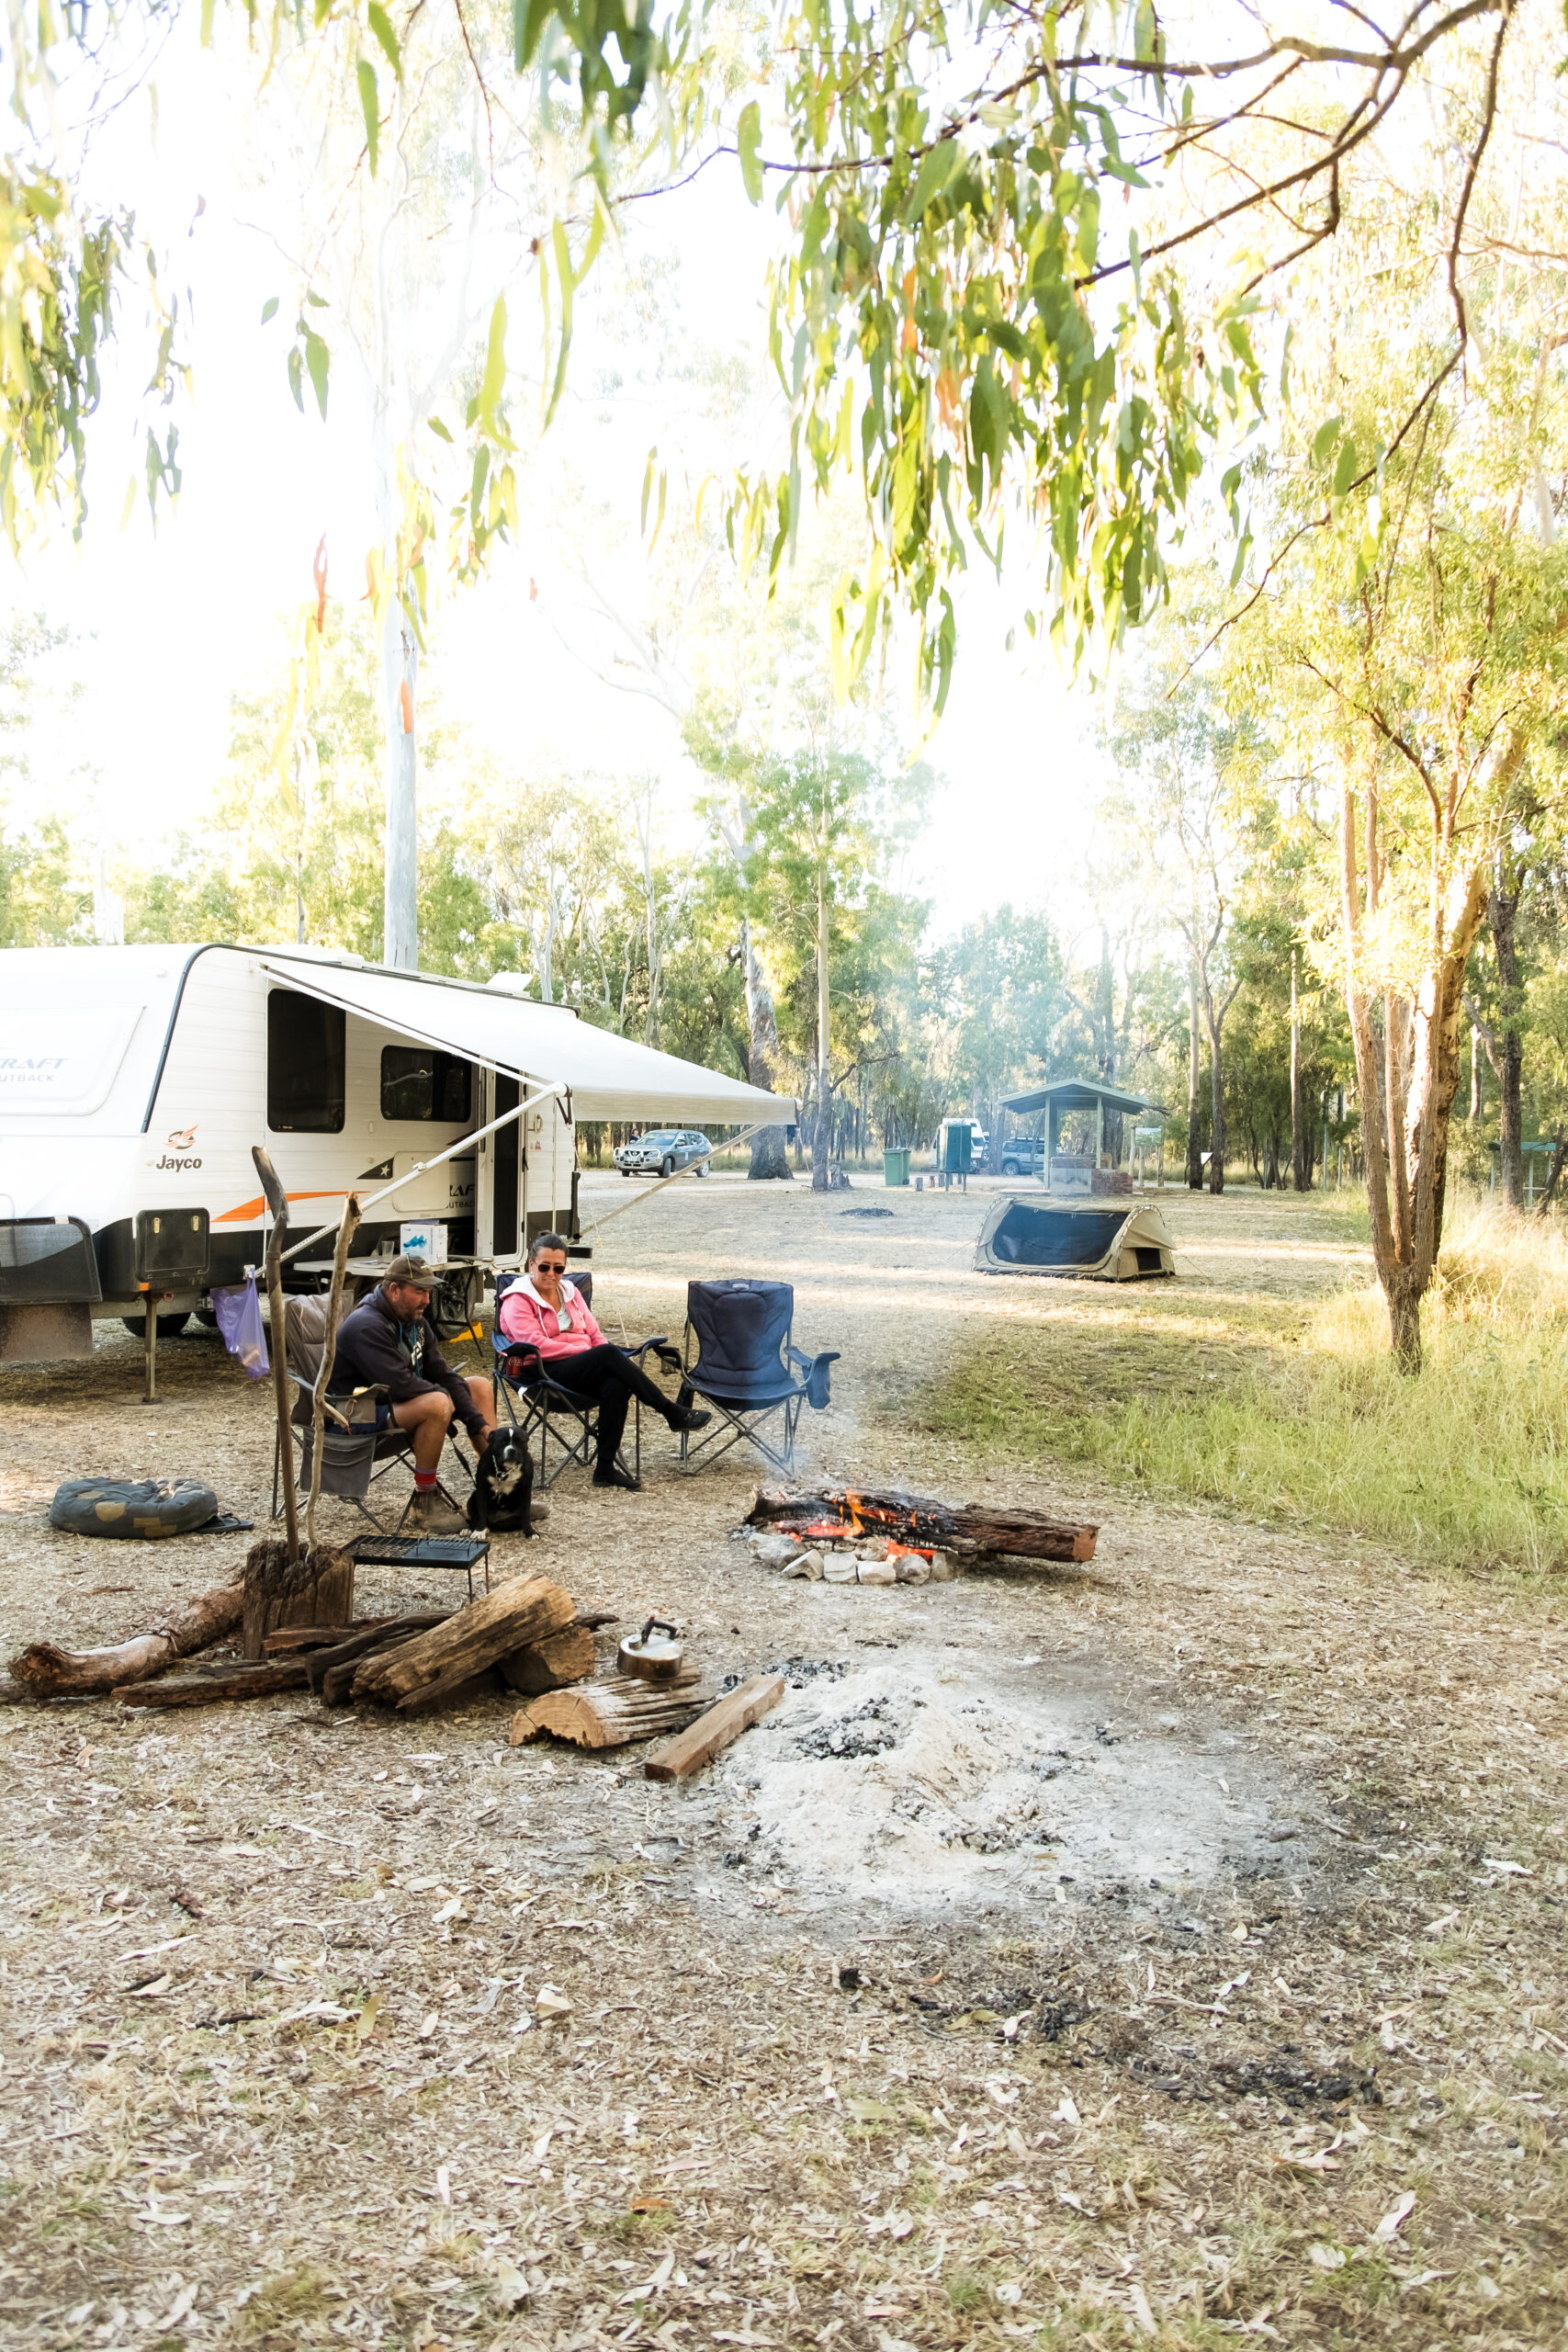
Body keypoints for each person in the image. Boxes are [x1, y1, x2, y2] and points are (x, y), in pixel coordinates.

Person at [497, 1232, 709, 1490]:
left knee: (616, 1383)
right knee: (607, 1355)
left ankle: (605, 1469)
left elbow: (595, 1335)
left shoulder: (570, 1292)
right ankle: (670, 1411)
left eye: (559, 1268)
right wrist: (584, 1350)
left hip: (577, 1370)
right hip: (541, 1372)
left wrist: (590, 1351)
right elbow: (536, 1345)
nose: (551, 1273)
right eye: (544, 1267)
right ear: (530, 1264)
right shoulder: (516, 1299)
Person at [333, 1254, 497, 1533]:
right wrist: (455, 1405)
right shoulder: (367, 1326)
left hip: (388, 1402)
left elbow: (442, 1373)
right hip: (350, 1412)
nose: (426, 1299)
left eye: (429, 1291)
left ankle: (499, 1491)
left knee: (478, 1386)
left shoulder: (414, 1321)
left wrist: (475, 1420)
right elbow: (402, 1386)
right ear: (394, 1289)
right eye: (419, 1291)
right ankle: (425, 1503)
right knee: (437, 1403)